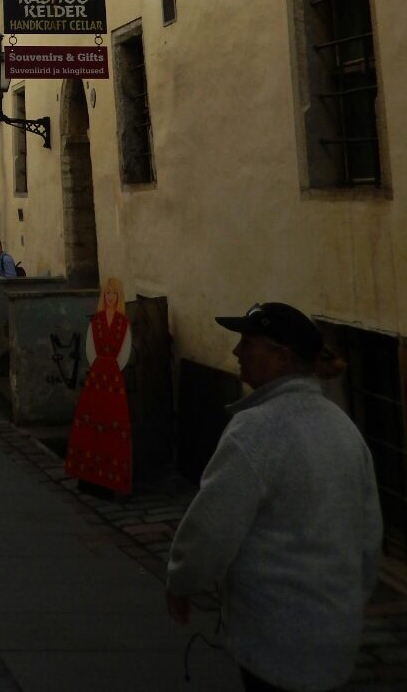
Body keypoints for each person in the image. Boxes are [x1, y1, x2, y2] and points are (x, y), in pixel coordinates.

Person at [166, 301, 383, 692]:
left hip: (276, 638)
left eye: (248, 343)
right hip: (336, 637)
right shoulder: (343, 426)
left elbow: (211, 528)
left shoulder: (254, 431)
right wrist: (350, 601)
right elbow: (369, 535)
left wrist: (182, 580)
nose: (237, 351)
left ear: (281, 357)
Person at [64, 276, 132, 493]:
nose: (110, 297)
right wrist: (100, 365)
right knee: (92, 420)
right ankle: (88, 473)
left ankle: (110, 478)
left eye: (114, 294)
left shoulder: (123, 323)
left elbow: (125, 352)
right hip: (96, 379)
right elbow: (90, 348)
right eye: (107, 293)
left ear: (119, 297)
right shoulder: (96, 322)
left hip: (113, 380)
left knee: (112, 422)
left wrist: (113, 367)